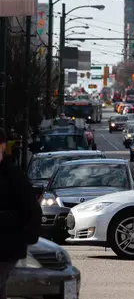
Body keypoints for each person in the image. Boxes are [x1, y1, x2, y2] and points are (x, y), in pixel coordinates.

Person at [0, 128, 42, 299]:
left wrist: (26, 237)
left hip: (6, 246)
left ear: (2, 147)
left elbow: (31, 209)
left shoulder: (12, 175)